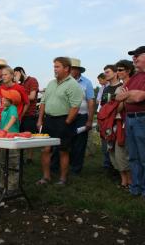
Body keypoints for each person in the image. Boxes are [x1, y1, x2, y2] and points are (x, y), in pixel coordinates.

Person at [36, 57, 83, 186]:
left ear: (66, 68)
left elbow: (75, 107)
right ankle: (46, 177)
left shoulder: (73, 85)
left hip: (64, 120)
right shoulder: (51, 83)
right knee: (45, 149)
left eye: (57, 67)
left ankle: (62, 179)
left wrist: (67, 122)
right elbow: (43, 102)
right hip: (49, 120)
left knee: (63, 150)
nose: (54, 69)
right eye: (54, 66)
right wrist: (40, 119)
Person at [116, 46, 145, 200]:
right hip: (129, 118)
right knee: (133, 156)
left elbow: (139, 98)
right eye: (133, 56)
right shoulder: (136, 77)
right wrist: (132, 95)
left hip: (144, 118)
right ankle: (135, 187)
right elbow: (118, 97)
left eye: (137, 55)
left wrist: (128, 95)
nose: (134, 58)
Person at [110, 60, 134, 189]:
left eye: (120, 70)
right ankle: (124, 180)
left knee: (125, 152)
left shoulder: (133, 84)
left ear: (128, 71)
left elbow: (119, 107)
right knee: (115, 151)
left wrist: (121, 100)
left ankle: (130, 181)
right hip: (117, 122)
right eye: (117, 70)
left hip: (128, 121)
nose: (117, 72)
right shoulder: (119, 88)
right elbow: (116, 107)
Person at [68, 58, 95, 174]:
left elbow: (91, 101)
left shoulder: (86, 82)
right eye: (69, 68)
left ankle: (75, 169)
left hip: (81, 117)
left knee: (79, 144)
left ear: (78, 70)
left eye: (72, 69)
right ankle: (64, 166)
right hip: (66, 116)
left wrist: (89, 120)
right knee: (66, 142)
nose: (70, 71)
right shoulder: (64, 81)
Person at [14, 66, 39, 165]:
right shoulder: (20, 84)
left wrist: (20, 96)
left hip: (30, 113)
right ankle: (21, 157)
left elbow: (32, 97)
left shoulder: (32, 80)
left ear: (21, 72)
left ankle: (29, 158)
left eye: (16, 74)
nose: (15, 77)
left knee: (29, 136)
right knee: (20, 136)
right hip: (20, 114)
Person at [99, 65, 122, 167]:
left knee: (118, 146)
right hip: (106, 121)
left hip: (117, 120)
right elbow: (103, 105)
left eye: (107, 72)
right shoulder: (106, 88)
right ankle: (108, 167)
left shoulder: (121, 87)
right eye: (104, 72)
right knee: (106, 145)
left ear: (115, 73)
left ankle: (120, 170)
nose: (105, 74)